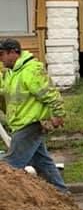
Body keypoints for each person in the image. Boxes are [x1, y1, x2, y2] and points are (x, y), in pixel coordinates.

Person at [0, 38, 69, 193]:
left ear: (13, 52)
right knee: (43, 162)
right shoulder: (12, 73)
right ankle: (63, 193)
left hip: (30, 124)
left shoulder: (31, 70)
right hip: (20, 124)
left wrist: (58, 114)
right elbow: (6, 95)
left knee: (9, 166)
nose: (1, 59)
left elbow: (50, 94)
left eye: (2, 54)